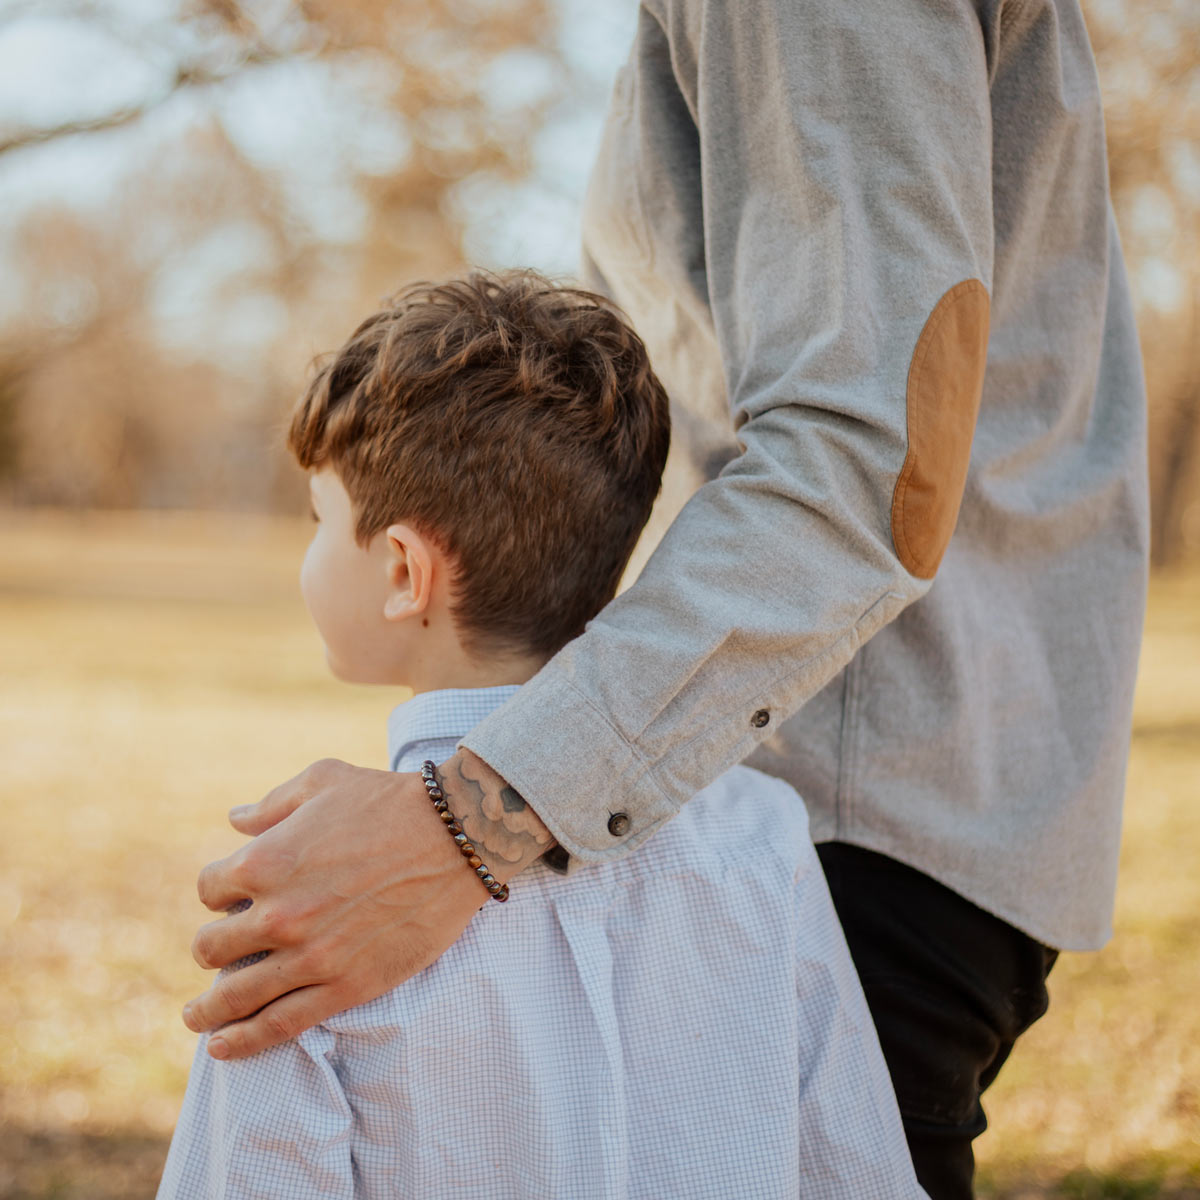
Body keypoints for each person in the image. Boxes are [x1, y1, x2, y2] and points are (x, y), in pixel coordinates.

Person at [182, 2, 1150, 1196]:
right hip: (859, 786)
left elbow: (869, 458)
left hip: (861, 799)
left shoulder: (346, 893)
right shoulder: (753, 855)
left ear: (401, 568)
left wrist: (469, 823)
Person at [159, 272, 925, 1198]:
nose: (309, 552)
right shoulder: (763, 835)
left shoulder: (312, 891)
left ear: (403, 572)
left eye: (319, 519)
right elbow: (858, 1171)